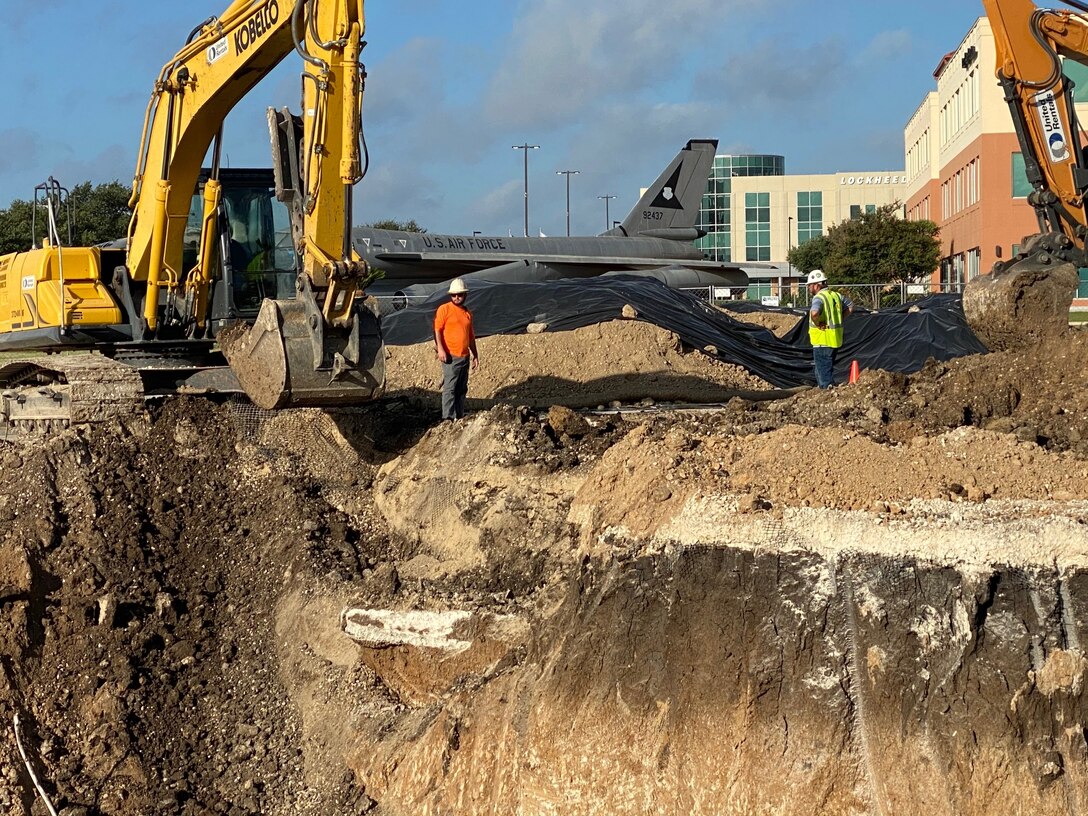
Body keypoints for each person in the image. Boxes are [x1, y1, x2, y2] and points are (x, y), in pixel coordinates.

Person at [434, 278, 479, 420]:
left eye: (459, 294)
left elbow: (470, 336)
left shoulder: (467, 313)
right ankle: (447, 418)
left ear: (465, 295)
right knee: (450, 388)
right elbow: (437, 330)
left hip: (464, 356)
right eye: (454, 295)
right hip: (451, 356)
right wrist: (441, 349)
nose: (457, 297)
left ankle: (459, 416)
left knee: (461, 389)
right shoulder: (445, 309)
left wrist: (475, 354)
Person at [806, 269, 853, 389]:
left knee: (824, 374)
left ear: (816, 285)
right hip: (834, 339)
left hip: (822, 340)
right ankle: (825, 391)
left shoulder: (819, 298)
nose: (809, 288)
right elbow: (850, 306)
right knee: (824, 369)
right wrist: (840, 318)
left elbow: (815, 312)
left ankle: (828, 393)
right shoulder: (836, 295)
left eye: (810, 285)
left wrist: (818, 323)